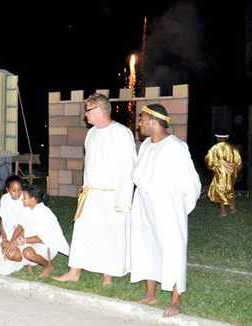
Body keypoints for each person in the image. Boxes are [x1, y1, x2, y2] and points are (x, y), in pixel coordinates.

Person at [54, 93, 136, 286]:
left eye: (88, 110)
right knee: (82, 231)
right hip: (90, 194)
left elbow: (129, 167)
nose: (85, 115)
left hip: (111, 195)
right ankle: (74, 271)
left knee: (110, 234)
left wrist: (123, 200)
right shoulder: (91, 134)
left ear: (99, 110)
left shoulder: (122, 133)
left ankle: (108, 276)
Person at [130, 104, 201, 318]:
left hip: (169, 210)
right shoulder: (146, 147)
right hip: (145, 208)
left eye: (142, 119)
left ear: (153, 122)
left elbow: (192, 184)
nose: (139, 123)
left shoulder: (176, 147)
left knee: (174, 251)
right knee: (146, 246)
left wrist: (179, 209)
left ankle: (175, 301)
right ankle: (150, 294)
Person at [2, 185, 70, 278]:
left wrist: (18, 241)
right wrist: (11, 243)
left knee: (27, 253)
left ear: (33, 199)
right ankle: (29, 264)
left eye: (24, 198)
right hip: (29, 242)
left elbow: (40, 238)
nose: (22, 200)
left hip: (47, 245)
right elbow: (20, 227)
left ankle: (48, 266)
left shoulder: (44, 213)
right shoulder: (26, 209)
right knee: (10, 254)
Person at [205, 132, 242, 217]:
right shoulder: (233, 148)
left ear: (218, 138)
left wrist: (218, 165)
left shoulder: (214, 148)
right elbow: (238, 162)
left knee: (220, 189)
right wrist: (233, 166)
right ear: (226, 138)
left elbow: (209, 161)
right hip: (231, 172)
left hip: (220, 171)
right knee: (229, 187)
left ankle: (223, 212)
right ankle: (232, 207)